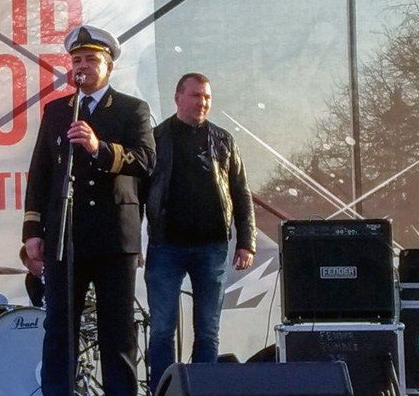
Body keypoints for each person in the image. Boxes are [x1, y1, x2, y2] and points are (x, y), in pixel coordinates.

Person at [22, 24, 155, 396]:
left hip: (114, 236)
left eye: (91, 60)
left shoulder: (131, 109)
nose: (82, 66)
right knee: (59, 329)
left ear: (108, 66)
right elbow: (41, 173)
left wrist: (100, 148)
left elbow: (146, 161)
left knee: (117, 332)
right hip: (66, 235)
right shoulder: (57, 111)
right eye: (76, 60)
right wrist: (33, 231)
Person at [143, 72, 257, 393]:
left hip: (212, 247)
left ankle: (204, 390)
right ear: (178, 98)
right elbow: (138, 192)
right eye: (195, 95)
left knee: (208, 331)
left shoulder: (223, 140)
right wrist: (132, 242)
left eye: (207, 97)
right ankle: (163, 392)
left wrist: (246, 241)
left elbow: (241, 192)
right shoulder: (156, 139)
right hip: (166, 246)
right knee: (161, 329)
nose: (202, 102)